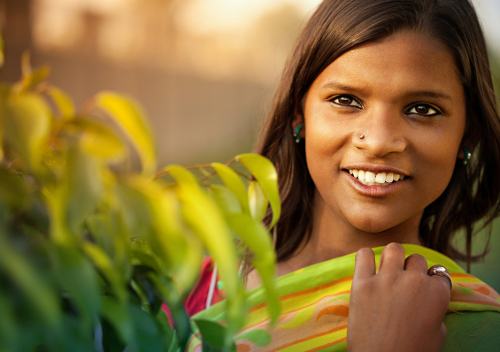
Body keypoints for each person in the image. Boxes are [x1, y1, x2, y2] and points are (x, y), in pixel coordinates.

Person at [186, 0, 500, 350]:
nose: (379, 142)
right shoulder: (195, 290)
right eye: (346, 100)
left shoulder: (482, 330)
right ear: (298, 114)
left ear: (467, 134)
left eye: (422, 109)